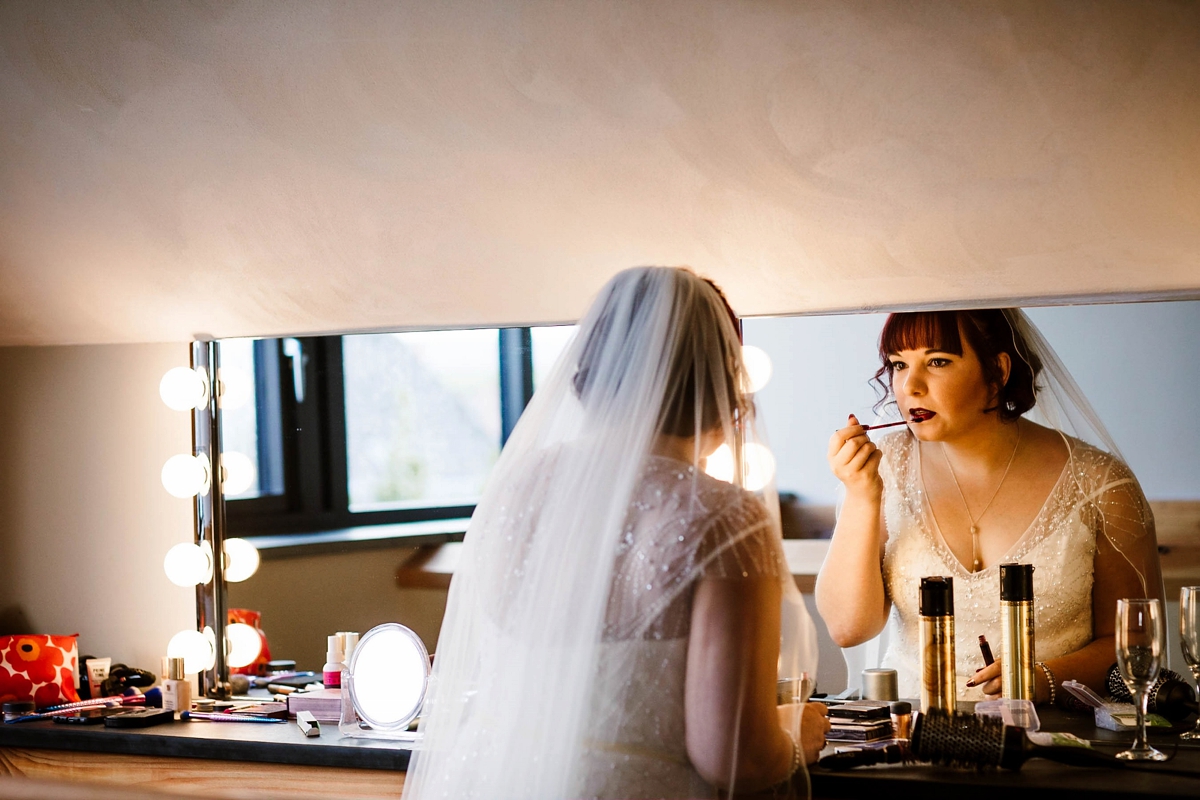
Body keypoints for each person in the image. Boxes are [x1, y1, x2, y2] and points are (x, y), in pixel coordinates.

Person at [402, 267, 828, 800]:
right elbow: (730, 758)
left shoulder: (517, 489)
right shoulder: (722, 517)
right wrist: (796, 735)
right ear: (719, 380)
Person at [816, 309, 1163, 703]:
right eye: (898, 364)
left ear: (997, 370)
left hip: (1057, 739)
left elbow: (1136, 645)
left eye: (938, 361)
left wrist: (1043, 679)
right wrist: (863, 497)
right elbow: (848, 629)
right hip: (916, 737)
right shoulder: (881, 470)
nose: (910, 386)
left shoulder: (1099, 482)